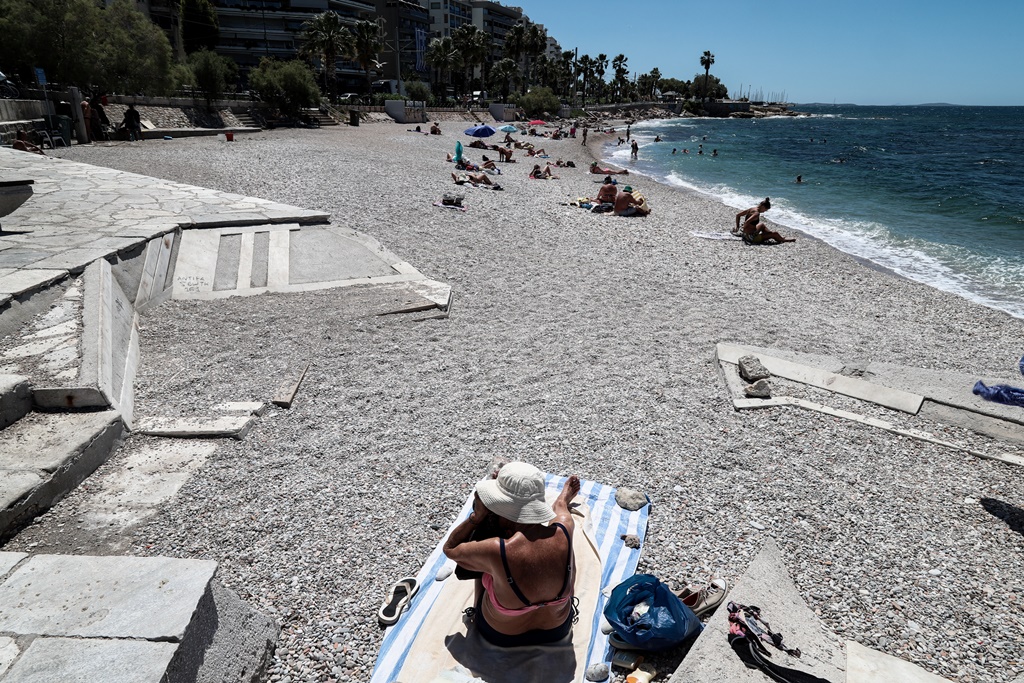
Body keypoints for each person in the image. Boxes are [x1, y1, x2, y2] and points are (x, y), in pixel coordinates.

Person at [443, 463, 580, 647]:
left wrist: (476, 518)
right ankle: (561, 498)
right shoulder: (565, 529)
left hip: (501, 636)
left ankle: (476, 610)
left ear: (506, 514)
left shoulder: (496, 549)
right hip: (558, 631)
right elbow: (560, 509)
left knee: (489, 561)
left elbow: (450, 550)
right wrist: (563, 498)